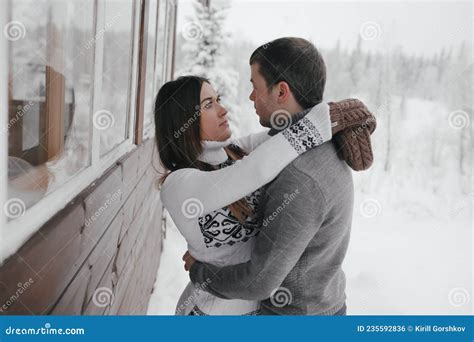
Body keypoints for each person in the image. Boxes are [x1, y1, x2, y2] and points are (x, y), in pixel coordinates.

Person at [186, 37, 355, 315]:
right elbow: (255, 145)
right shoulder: (316, 143)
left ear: (281, 92)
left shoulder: (299, 176)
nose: (251, 96)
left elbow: (259, 281)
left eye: (255, 86)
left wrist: (199, 271)